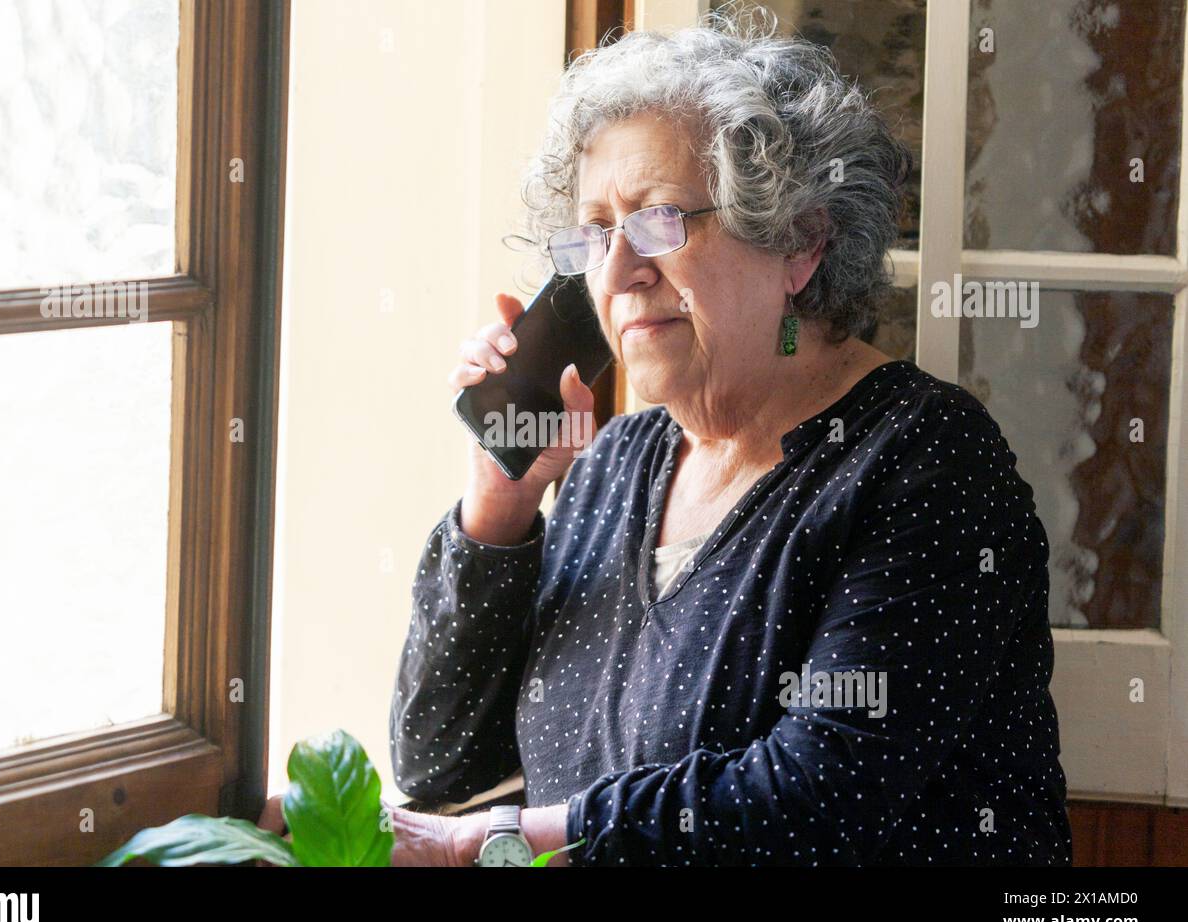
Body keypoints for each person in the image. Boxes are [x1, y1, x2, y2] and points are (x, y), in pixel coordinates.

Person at [373, 8, 1072, 866]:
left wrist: (498, 842)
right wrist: (500, 508)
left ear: (799, 244)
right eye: (594, 233)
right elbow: (439, 765)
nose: (617, 273)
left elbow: (817, 804)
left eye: (660, 220)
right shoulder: (612, 468)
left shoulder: (926, 462)